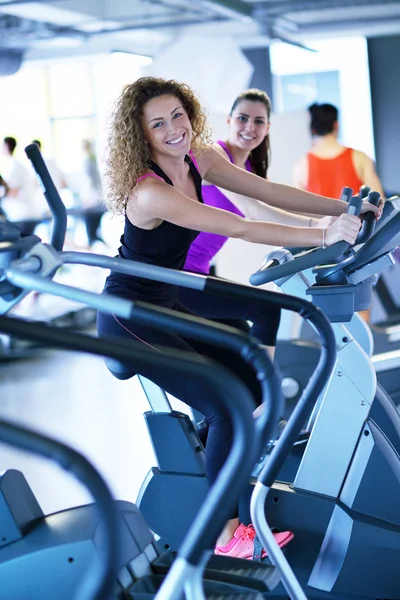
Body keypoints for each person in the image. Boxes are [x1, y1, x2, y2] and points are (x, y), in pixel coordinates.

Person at [97, 77, 377, 561]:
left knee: (252, 383)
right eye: (158, 124)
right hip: (131, 316)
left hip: (170, 303)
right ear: (140, 134)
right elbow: (238, 225)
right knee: (225, 404)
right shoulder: (147, 193)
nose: (173, 130)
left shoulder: (200, 158)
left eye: (178, 116)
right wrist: (322, 237)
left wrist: (346, 209)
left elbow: (265, 190)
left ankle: (213, 472)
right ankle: (226, 536)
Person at [181, 89, 338, 360]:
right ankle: (268, 397)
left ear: (268, 127)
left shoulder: (248, 168)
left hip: (198, 271)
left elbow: (276, 200)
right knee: (266, 312)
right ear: (229, 120)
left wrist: (324, 221)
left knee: (241, 336)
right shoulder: (214, 157)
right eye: (243, 118)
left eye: (258, 121)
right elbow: (254, 212)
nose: (250, 127)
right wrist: (319, 229)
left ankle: (252, 396)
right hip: (181, 275)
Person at [293, 103, 385, 199]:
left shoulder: (301, 165)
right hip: (354, 214)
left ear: (313, 130)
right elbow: (379, 200)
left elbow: (297, 207)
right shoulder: (360, 158)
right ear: (336, 125)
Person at [1, 136, 40, 233]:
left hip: (24, 216)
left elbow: (12, 191)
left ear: (6, 146)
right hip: (26, 214)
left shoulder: (13, 166)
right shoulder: (14, 165)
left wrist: (2, 196)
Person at [80, 139, 105, 246]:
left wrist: (87, 198)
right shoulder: (92, 158)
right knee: (95, 227)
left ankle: (92, 243)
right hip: (97, 195)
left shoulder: (88, 160)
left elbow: (89, 180)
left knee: (91, 226)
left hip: (92, 197)